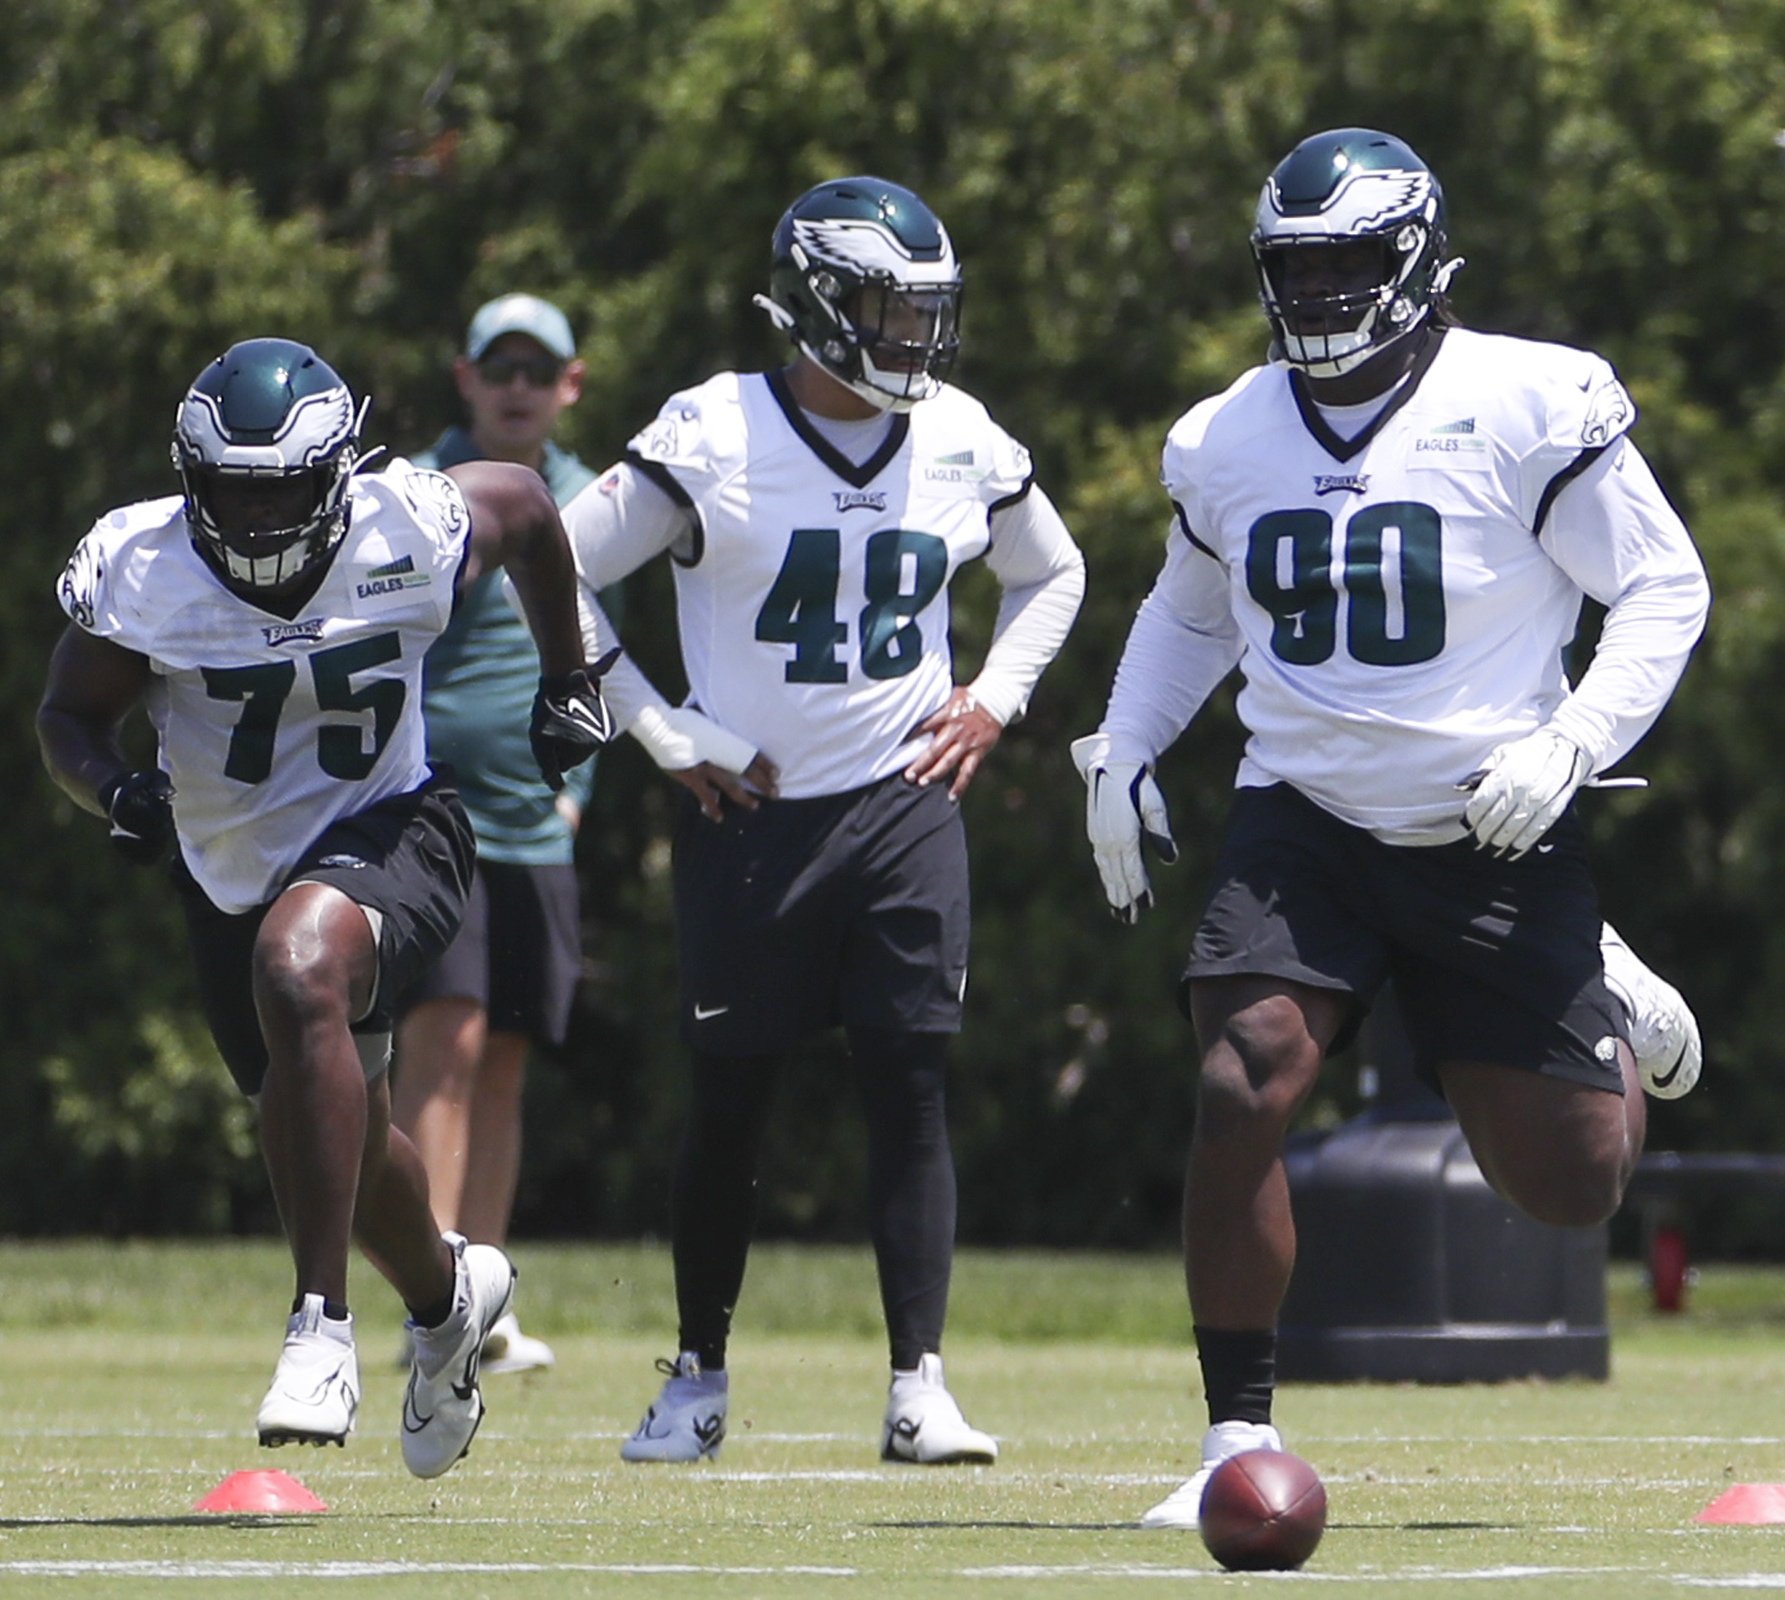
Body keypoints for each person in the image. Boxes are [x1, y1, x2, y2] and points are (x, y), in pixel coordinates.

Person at [1070, 129, 1711, 1527]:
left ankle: (1601, 973)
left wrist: (1573, 742)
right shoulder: (1226, 432)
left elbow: (1665, 591)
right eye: (1294, 270)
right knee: (1243, 1081)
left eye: (1347, 263)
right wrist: (1124, 744)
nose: (1318, 294)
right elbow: (1188, 612)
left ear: (1417, 257)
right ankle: (1234, 1439)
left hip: (1494, 823)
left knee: (1569, 1183)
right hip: (1304, 819)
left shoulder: (1529, 400)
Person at [562, 176, 1086, 1465]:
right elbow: (555, 565)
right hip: (754, 810)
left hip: (906, 803)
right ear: (814, 303)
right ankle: (696, 1376)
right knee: (731, 1097)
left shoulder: (960, 432)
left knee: (911, 1087)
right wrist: (653, 722)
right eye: (885, 310)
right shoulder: (716, 431)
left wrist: (996, 701)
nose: (912, 337)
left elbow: (1054, 570)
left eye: (924, 312)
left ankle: (920, 1383)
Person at [35, 338, 610, 1473]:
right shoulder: (142, 566)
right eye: (234, 494)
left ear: (338, 474)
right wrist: (115, 789)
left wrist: (570, 677)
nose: (257, 522)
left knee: (301, 967)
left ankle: (320, 1326)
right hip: (225, 868)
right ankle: (452, 1297)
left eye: (284, 491)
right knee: (344, 1148)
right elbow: (67, 717)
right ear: (192, 482)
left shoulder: (409, 525)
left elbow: (536, 509)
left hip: (396, 828)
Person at [391, 295, 600, 1376]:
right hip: (437, 809)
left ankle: (488, 1292)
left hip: (538, 821)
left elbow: (598, 647)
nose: (518, 384)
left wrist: (581, 792)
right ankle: (428, 1296)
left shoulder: (592, 495)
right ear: (465, 378)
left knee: (506, 1057)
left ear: (570, 385)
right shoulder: (424, 494)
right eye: (499, 366)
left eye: (540, 368)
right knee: (447, 1042)